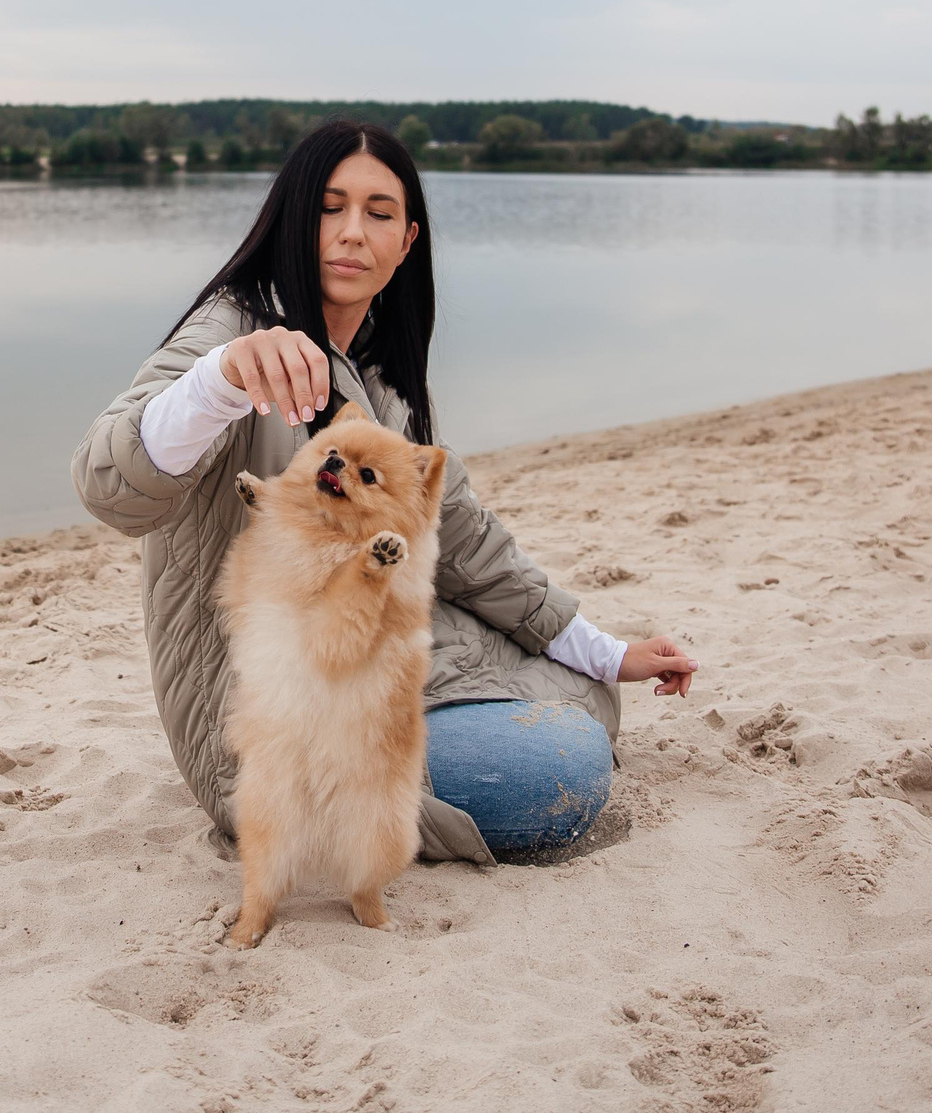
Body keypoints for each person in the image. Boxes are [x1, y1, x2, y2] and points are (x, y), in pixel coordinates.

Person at [72, 118, 697, 864]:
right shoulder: (233, 332)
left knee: (585, 686)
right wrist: (221, 380)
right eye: (330, 208)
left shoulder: (377, 369)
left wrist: (607, 651)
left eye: (378, 213)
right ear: (292, 219)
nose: (351, 233)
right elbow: (109, 486)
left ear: (407, 242)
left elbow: (463, 535)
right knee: (558, 767)